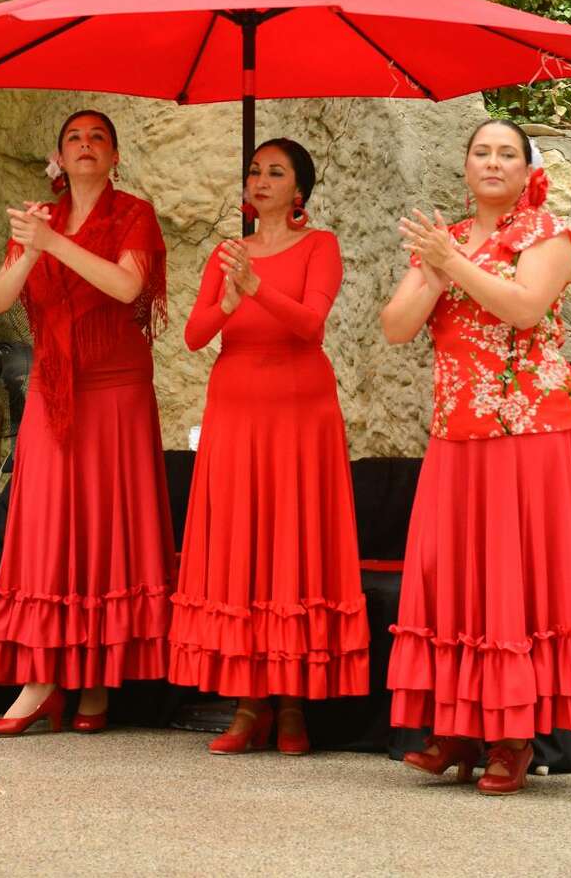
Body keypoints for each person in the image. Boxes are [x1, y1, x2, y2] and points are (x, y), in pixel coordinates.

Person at [381, 121, 571, 794]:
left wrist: (450, 265)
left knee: (515, 580)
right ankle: (455, 723)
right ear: (465, 168)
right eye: (481, 152)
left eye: (505, 154)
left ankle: (512, 738)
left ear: (525, 170)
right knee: (459, 578)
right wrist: (432, 268)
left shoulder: (549, 237)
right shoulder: (444, 241)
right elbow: (397, 327)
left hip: (529, 436)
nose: (492, 161)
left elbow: (523, 307)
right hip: (456, 433)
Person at [168, 139, 369, 756]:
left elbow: (311, 323)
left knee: (292, 542)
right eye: (254, 170)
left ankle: (292, 705)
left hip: (300, 409)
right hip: (235, 408)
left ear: (299, 190)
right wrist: (229, 298)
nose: (260, 179)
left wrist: (256, 286)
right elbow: (196, 336)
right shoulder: (228, 253)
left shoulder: (320, 246)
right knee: (243, 544)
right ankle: (247, 701)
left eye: (275, 172)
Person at [0, 110, 173, 735]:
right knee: (49, 524)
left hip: (115, 386)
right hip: (54, 387)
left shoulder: (133, 213)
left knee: (104, 524)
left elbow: (126, 286)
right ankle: (44, 678)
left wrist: (54, 244)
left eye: (98, 138)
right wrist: (34, 247)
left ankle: (94, 682)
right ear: (58, 157)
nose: (85, 145)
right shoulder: (40, 217)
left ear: (115, 155)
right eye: (74, 138)